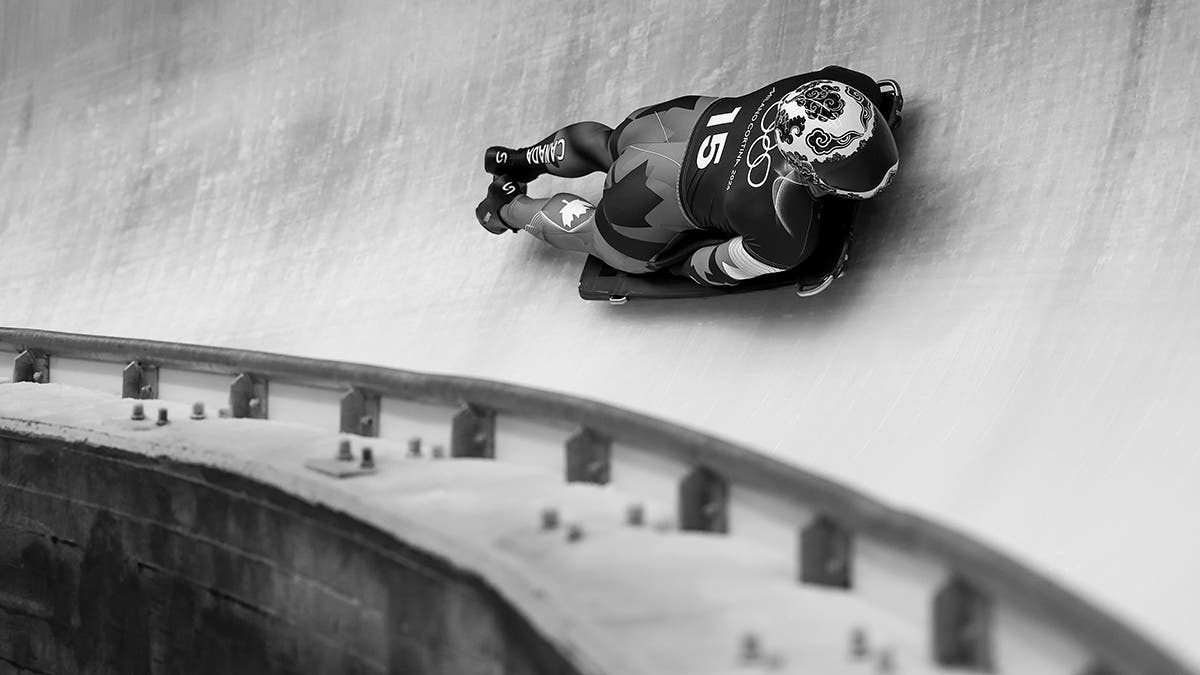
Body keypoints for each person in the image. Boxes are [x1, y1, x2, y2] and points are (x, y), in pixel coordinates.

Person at [475, 65, 899, 289]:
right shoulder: (785, 228)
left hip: (675, 119)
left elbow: (859, 94)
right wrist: (675, 262)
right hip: (649, 200)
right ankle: (508, 206)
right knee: (607, 244)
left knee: (607, 143)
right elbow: (706, 267)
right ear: (804, 172)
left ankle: (520, 158)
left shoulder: (835, 85)